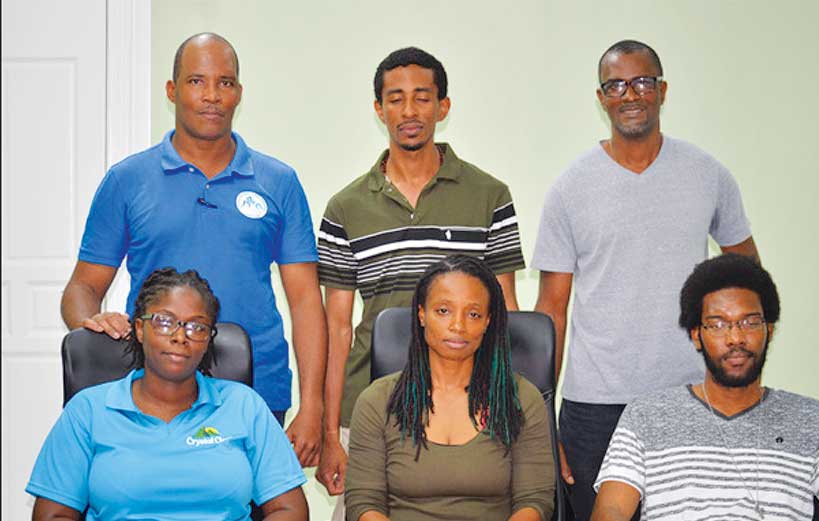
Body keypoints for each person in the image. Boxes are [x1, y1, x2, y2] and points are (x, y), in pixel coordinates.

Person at [59, 32, 327, 466]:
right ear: (172, 90)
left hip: (258, 391)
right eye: (197, 81)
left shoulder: (279, 181)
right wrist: (90, 321)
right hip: (152, 390)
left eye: (224, 83)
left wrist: (312, 406)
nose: (211, 96)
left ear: (239, 93)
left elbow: (305, 302)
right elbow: (81, 288)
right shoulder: (127, 180)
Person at [532, 39, 760, 519]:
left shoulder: (706, 174)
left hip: (690, 395)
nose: (629, 94)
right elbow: (551, 309)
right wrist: (540, 418)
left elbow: (749, 279)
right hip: (594, 406)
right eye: (615, 84)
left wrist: (739, 378)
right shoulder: (571, 187)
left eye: (641, 82)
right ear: (601, 98)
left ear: (662, 90)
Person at [316, 46, 526, 513]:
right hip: (367, 407)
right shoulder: (345, 207)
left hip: (471, 406)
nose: (409, 111)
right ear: (379, 109)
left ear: (443, 107)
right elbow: (336, 328)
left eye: (422, 98)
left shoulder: (489, 195)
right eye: (395, 99)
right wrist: (332, 434)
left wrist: (508, 406)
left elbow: (506, 309)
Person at [28, 268, 310, 520]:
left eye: (196, 326)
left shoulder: (244, 406)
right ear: (139, 329)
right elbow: (53, 514)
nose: (180, 336)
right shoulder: (88, 410)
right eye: (165, 321)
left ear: (208, 339)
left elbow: (290, 509)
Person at [591, 254, 819, 520]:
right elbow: (612, 510)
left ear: (769, 330)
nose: (735, 338)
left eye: (750, 322)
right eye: (717, 325)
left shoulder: (813, 420)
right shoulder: (646, 415)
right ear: (696, 335)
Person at [344, 255, 553, 520]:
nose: (458, 325)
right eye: (443, 311)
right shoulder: (377, 400)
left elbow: (534, 502)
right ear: (421, 314)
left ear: (488, 321)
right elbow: (364, 503)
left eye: (473, 314)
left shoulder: (521, 398)